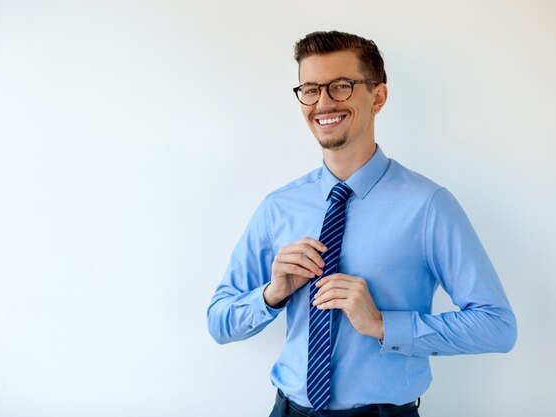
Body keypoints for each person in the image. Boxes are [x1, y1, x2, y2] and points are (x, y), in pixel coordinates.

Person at [207, 30, 516, 417]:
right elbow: (219, 322)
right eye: (310, 89)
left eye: (340, 86)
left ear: (378, 97)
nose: (322, 103)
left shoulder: (428, 206)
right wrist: (273, 293)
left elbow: (497, 326)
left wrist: (384, 324)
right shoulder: (278, 207)